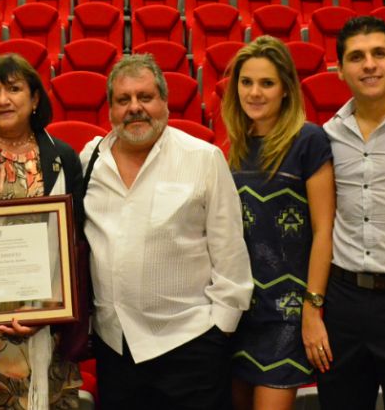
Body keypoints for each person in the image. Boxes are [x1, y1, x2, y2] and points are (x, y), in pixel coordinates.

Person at [80, 54, 254, 410]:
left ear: (165, 102)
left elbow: (230, 256)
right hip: (116, 349)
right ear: (110, 110)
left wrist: (218, 332)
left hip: (190, 347)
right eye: (123, 99)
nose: (135, 108)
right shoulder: (90, 161)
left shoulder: (203, 159)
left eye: (145, 97)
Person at [0, 53, 86, 410]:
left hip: (42, 316)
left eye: (14, 89)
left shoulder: (62, 157)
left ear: (35, 98)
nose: (2, 99)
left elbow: (76, 240)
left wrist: (53, 306)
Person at [317, 16, 385, 410]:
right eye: (357, 57)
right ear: (341, 70)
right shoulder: (327, 135)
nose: (369, 65)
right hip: (344, 302)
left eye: (379, 54)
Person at [220, 36, 335, 410]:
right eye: (246, 82)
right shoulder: (231, 146)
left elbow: (323, 231)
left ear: (286, 88)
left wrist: (311, 309)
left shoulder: (309, 141)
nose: (254, 92)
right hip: (239, 310)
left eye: (266, 83)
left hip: (287, 312)